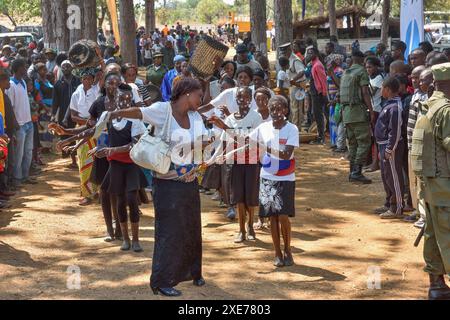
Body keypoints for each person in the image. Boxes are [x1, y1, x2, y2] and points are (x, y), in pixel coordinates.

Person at [108, 77, 209, 297]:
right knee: (169, 233)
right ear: (187, 93)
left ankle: (194, 272)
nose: (201, 100)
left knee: (192, 228)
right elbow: (139, 113)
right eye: (199, 95)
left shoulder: (195, 116)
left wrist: (199, 144)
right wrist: (117, 113)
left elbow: (204, 140)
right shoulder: (163, 110)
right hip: (166, 184)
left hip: (189, 183)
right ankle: (162, 281)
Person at [410, 62, 450, 300]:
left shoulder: (429, 104)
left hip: (432, 184)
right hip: (444, 184)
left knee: (433, 235)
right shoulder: (446, 110)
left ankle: (436, 284)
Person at [250, 95, 299, 267]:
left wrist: (266, 148)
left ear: (285, 110)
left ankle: (288, 250)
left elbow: (286, 154)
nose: (276, 112)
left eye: (279, 109)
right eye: (272, 109)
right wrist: (225, 128)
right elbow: (245, 140)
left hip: (285, 177)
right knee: (273, 217)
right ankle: (277, 252)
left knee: (283, 216)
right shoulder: (263, 128)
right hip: (267, 177)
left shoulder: (292, 129)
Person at [339, 50, 374, 184]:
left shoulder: (346, 73)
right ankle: (356, 172)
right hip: (358, 113)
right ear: (362, 60)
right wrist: (370, 110)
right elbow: (365, 91)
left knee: (352, 144)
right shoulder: (361, 71)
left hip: (346, 113)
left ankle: (352, 171)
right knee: (364, 142)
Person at [374, 77, 405, 219]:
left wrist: (389, 149)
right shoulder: (388, 104)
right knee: (386, 176)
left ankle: (397, 207)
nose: (381, 90)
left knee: (394, 177)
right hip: (383, 146)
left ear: (387, 89)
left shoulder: (395, 107)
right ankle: (389, 203)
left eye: (382, 88)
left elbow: (395, 131)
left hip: (390, 147)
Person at [69, 68, 100, 206]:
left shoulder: (97, 91)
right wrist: (87, 122)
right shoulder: (76, 93)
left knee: (97, 160)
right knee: (83, 161)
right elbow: (73, 115)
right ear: (81, 79)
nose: (87, 80)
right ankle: (86, 194)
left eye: (89, 78)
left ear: (93, 79)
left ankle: (98, 191)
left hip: (96, 129)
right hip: (82, 128)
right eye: (84, 78)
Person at [5, 59, 35, 188]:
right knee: (19, 153)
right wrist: (16, 124)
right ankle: (17, 179)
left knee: (28, 151)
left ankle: (25, 176)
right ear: (18, 69)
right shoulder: (11, 85)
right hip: (20, 125)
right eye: (23, 67)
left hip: (28, 123)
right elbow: (10, 108)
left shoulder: (23, 82)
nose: (26, 69)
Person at [51, 60, 80, 168]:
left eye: (68, 66)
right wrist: (53, 115)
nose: (66, 68)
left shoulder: (78, 81)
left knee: (78, 135)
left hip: (77, 114)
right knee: (66, 136)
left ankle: (78, 159)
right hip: (63, 115)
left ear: (72, 68)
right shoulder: (58, 84)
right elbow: (55, 102)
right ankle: (72, 160)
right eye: (63, 67)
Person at [279, 43, 306, 130]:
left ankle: (296, 129)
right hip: (292, 86)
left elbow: (301, 72)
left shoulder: (295, 60)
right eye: (282, 52)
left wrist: (293, 80)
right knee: (293, 108)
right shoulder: (287, 59)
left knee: (296, 110)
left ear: (289, 50)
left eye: (285, 52)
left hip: (297, 86)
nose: (283, 54)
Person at [365, 56, 384, 172]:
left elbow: (371, 92)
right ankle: (371, 161)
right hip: (370, 109)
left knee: (376, 138)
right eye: (366, 67)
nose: (368, 69)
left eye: (370, 67)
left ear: (376, 67)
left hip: (376, 109)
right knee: (371, 137)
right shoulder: (370, 78)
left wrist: (364, 85)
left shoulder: (378, 78)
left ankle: (375, 163)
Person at [306, 46, 328, 144]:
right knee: (316, 114)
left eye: (311, 53)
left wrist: (323, 93)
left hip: (318, 93)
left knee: (318, 115)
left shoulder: (318, 65)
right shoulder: (313, 64)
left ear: (315, 54)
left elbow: (323, 80)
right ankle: (321, 135)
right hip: (314, 92)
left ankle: (321, 137)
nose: (309, 55)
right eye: (308, 53)